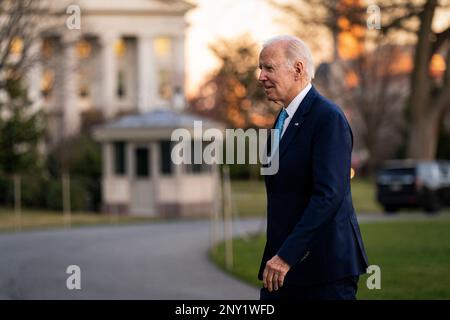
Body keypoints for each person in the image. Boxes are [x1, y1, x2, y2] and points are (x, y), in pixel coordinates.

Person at [257, 35, 369, 300]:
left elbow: (328, 195)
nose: (261, 76)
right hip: (284, 270)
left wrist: (286, 256)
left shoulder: (327, 118)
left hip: (323, 272)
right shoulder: (282, 119)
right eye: (260, 68)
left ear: (297, 70)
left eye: (269, 68)